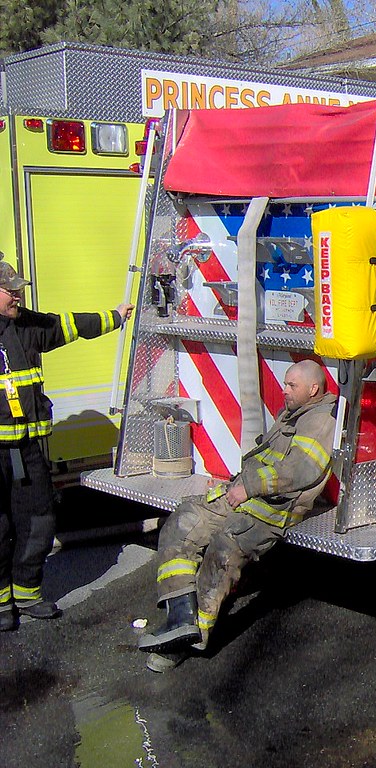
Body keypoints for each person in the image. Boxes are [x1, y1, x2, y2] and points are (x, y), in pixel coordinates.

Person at [138, 359, 337, 671]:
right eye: (285, 383)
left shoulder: (321, 420)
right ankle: (179, 617)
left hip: (270, 511)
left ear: (313, 389)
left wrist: (248, 488)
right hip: (241, 496)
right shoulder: (295, 413)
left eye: (291, 386)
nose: (284, 390)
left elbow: (302, 470)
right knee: (181, 522)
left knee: (222, 550)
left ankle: (191, 640)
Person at [0, 258, 133, 632]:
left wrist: (115, 317)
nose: (18, 297)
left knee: (38, 520)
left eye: (19, 291)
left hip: (27, 452)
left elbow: (70, 325)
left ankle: (26, 594)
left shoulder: (27, 325)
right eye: (10, 292)